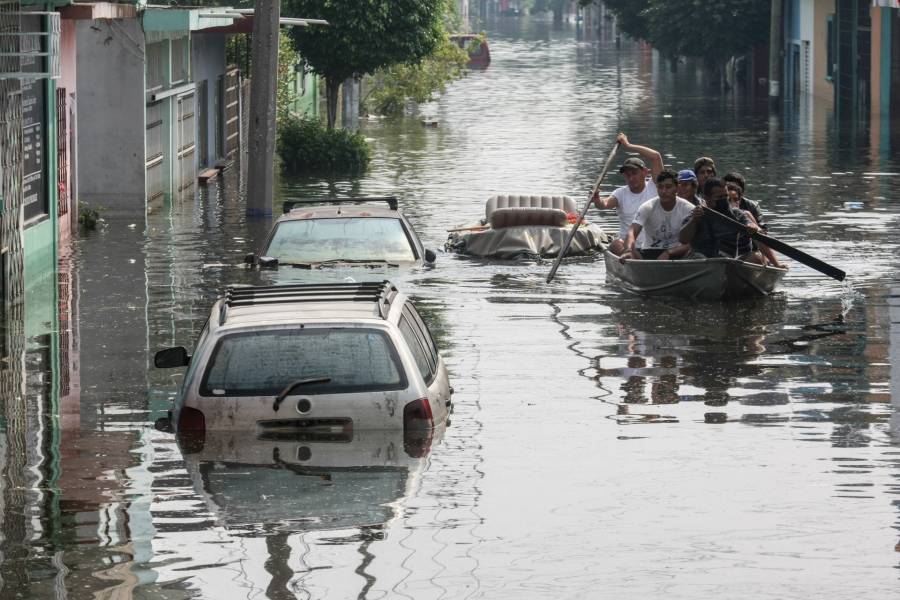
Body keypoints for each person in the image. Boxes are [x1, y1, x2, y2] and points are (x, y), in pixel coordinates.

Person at [593, 133, 664, 255]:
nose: (631, 178)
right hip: (629, 248)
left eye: (634, 173)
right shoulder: (621, 193)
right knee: (616, 244)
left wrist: (628, 145)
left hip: (654, 246)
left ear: (645, 172)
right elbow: (604, 204)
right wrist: (597, 199)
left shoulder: (655, 186)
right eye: (627, 174)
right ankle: (632, 260)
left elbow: (656, 157)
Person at [679, 177, 765, 265]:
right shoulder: (697, 213)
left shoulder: (736, 214)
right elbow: (683, 239)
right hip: (703, 263)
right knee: (697, 257)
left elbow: (749, 224)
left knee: (756, 258)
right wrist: (694, 220)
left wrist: (752, 227)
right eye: (719, 197)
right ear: (706, 198)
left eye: (726, 196)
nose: (724, 200)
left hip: (729, 264)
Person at [620, 169, 695, 261]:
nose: (664, 191)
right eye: (660, 187)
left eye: (668, 187)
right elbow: (632, 232)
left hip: (677, 252)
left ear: (676, 188)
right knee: (627, 248)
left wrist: (669, 252)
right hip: (650, 252)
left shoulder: (688, 208)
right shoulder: (647, 207)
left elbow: (694, 241)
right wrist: (628, 250)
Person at [722, 171, 783, 267]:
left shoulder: (746, 213)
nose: (733, 204)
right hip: (721, 258)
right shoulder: (714, 212)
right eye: (729, 200)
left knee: (757, 258)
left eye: (736, 200)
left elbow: (761, 238)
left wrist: (776, 264)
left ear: (740, 200)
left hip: (742, 257)